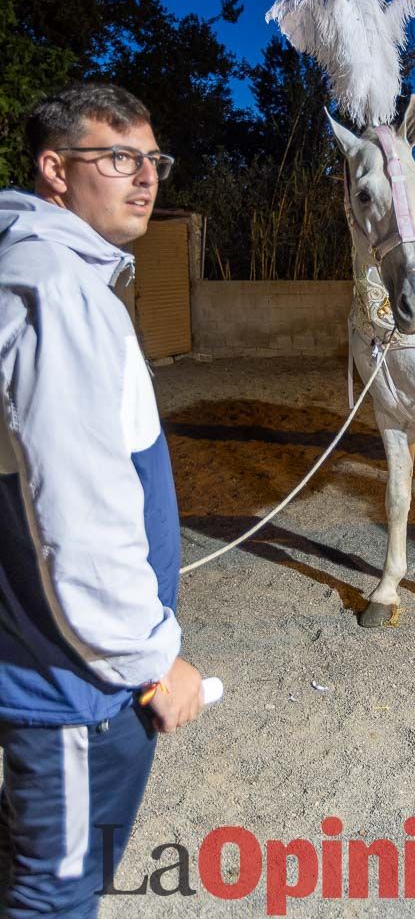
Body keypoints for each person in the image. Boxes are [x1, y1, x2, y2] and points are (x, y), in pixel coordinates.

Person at [0, 83, 203, 917]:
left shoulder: (45, 270)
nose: (145, 176)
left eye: (151, 159)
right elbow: (76, 517)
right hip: (76, 687)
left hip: (53, 668)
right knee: (58, 895)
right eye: (117, 157)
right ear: (55, 169)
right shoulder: (61, 293)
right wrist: (152, 662)